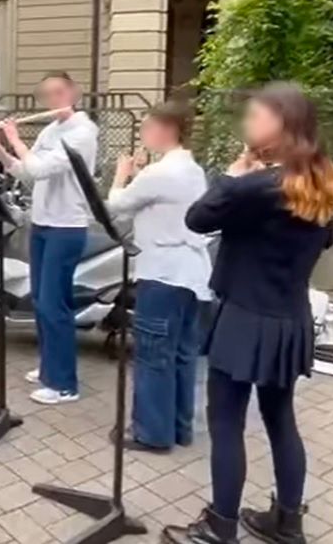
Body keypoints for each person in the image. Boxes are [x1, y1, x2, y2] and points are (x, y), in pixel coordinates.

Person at [163, 83, 333, 544]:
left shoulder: (259, 187)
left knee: (226, 422)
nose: (247, 122)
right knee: (280, 418)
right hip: (289, 319)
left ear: (282, 124)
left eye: (255, 115)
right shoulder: (322, 182)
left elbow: (198, 219)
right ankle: (288, 523)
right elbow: (326, 240)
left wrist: (232, 175)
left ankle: (219, 527)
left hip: (245, 319)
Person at [0, 72, 98, 405]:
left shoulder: (83, 131)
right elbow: (26, 172)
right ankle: (50, 366)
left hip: (67, 227)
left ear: (74, 92)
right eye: (48, 95)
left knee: (54, 305)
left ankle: (64, 384)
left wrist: (15, 138)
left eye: (60, 92)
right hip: (43, 223)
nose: (54, 100)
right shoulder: (51, 130)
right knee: (42, 302)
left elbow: (41, 169)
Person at [105, 102, 211, 453]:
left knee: (153, 355)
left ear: (167, 130)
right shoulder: (191, 168)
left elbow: (116, 204)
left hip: (162, 272)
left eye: (147, 127)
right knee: (181, 354)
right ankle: (179, 428)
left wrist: (122, 173)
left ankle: (152, 433)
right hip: (190, 276)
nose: (142, 134)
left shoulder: (161, 174)